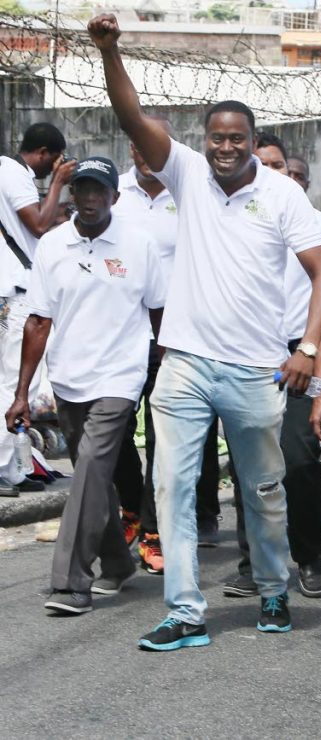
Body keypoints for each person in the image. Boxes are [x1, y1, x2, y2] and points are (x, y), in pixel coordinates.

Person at [88, 14, 321, 650]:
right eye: (217, 138)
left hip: (256, 370)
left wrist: (308, 349)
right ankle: (186, 612)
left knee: (262, 490)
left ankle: (275, 588)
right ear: (206, 141)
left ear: (253, 141)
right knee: (170, 487)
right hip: (186, 365)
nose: (225, 147)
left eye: (237, 138)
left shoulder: (283, 196)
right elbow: (130, 115)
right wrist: (111, 51)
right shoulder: (187, 173)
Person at [4, 156, 165, 614]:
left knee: (91, 468)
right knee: (93, 478)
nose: (90, 199)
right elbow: (38, 320)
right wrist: (22, 394)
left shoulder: (139, 245)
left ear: (115, 196)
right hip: (69, 379)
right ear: (72, 195)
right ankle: (117, 562)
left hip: (120, 376)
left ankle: (70, 582)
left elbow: (159, 311)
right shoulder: (53, 246)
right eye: (83, 190)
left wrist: (163, 365)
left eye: (100, 191)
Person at [222, 139, 321, 599]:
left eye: (282, 168)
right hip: (246, 353)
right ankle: (255, 560)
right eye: (265, 166)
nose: (274, 176)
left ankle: (308, 553)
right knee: (247, 462)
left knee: (298, 457)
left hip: (300, 354)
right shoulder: (235, 217)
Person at [111, 120, 223, 575]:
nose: (143, 152)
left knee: (165, 436)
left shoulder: (193, 191)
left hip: (177, 333)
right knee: (114, 429)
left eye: (150, 144)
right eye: (135, 145)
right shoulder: (112, 192)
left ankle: (155, 527)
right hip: (119, 333)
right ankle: (133, 501)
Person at [0, 122, 75, 494]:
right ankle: (5, 469)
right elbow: (40, 225)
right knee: (14, 382)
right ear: (44, 153)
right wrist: (59, 182)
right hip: (14, 291)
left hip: (10, 287)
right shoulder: (14, 173)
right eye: (54, 161)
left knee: (11, 380)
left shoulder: (8, 171)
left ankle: (18, 465)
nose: (54, 168)